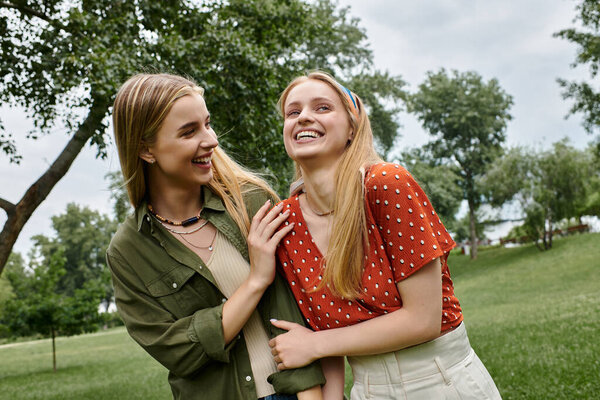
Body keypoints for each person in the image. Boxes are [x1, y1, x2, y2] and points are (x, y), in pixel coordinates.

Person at [263, 71, 502, 399]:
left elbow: (423, 319)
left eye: (322, 108)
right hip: (368, 389)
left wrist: (315, 344)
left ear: (352, 127)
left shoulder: (386, 185)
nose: (304, 116)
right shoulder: (289, 221)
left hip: (441, 381)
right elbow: (320, 339)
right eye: (293, 112)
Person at [107, 73, 325, 400]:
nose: (211, 140)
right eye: (189, 131)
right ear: (146, 149)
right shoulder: (128, 251)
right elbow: (179, 353)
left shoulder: (251, 202)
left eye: (206, 124)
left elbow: (299, 308)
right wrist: (256, 280)